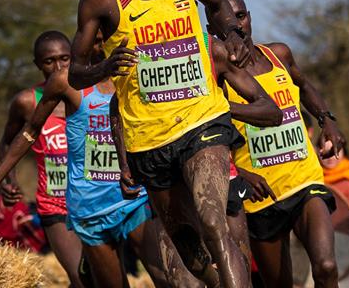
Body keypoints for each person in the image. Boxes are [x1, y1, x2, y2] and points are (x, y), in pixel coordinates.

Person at [68, 0, 266, 288]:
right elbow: (75, 72)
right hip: (148, 139)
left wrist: (232, 32)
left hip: (201, 121)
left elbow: (218, 5)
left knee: (213, 220)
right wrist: (103, 67)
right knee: (189, 252)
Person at [0, 32, 210, 288]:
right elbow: (28, 133)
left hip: (133, 199)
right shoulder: (65, 82)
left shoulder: (137, 73)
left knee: (173, 280)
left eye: (106, 37)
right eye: (95, 39)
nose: (100, 45)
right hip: (88, 208)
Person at [113, 28, 281, 286]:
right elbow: (118, 103)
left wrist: (222, 108)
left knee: (222, 239)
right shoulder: (136, 49)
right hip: (164, 171)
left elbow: (272, 112)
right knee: (184, 278)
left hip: (214, 170)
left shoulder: (209, 47)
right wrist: (123, 162)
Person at [215, 0, 344, 288]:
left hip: (303, 180)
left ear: (249, 18)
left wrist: (327, 121)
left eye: (241, 16)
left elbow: (304, 84)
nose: (236, 24)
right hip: (261, 194)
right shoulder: (218, 77)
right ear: (213, 30)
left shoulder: (279, 54)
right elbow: (214, 137)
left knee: (326, 267)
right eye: (226, 19)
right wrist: (241, 174)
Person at [0, 31, 85, 288]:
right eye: (49, 61)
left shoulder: (89, 93)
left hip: (92, 199)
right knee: (81, 277)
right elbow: (7, 141)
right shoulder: (27, 102)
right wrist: (9, 180)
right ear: (38, 64)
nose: (59, 67)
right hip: (55, 204)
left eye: (65, 58)